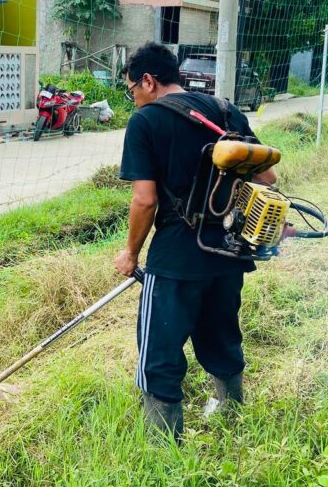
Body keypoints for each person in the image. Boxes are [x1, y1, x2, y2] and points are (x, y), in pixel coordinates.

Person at [114, 42, 277, 442]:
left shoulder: (145, 122)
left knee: (159, 350)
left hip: (176, 259)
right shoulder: (225, 111)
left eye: (132, 90)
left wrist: (130, 253)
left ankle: (163, 444)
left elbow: (145, 200)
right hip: (228, 250)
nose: (134, 98)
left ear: (148, 81)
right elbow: (267, 178)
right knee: (221, 333)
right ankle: (231, 410)